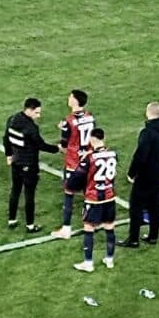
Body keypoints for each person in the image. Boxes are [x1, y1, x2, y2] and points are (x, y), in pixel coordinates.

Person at [118, 101, 159, 248]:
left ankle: (134, 239)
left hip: (146, 176)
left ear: (148, 113)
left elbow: (140, 156)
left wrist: (132, 173)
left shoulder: (148, 133)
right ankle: (153, 236)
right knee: (154, 205)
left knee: (136, 206)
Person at [4, 97, 62, 233]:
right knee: (29, 195)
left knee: (15, 190)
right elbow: (40, 145)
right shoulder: (31, 128)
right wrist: (57, 149)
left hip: (16, 162)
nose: (39, 116)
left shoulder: (12, 119)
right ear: (29, 110)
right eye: (36, 112)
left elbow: (6, 138)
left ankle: (12, 219)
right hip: (29, 164)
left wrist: (8, 154)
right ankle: (30, 225)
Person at [68, 128, 118, 272]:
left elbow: (77, 178)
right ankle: (109, 259)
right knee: (109, 227)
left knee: (89, 228)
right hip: (109, 196)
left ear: (92, 139)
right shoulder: (113, 154)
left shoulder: (89, 158)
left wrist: (71, 186)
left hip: (94, 198)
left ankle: (88, 263)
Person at [51, 89, 95, 240]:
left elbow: (64, 144)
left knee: (69, 194)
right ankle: (95, 221)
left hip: (73, 162)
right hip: (87, 159)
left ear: (75, 101)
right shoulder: (90, 117)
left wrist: (63, 132)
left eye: (70, 97)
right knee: (89, 192)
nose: (68, 99)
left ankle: (66, 229)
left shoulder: (68, 121)